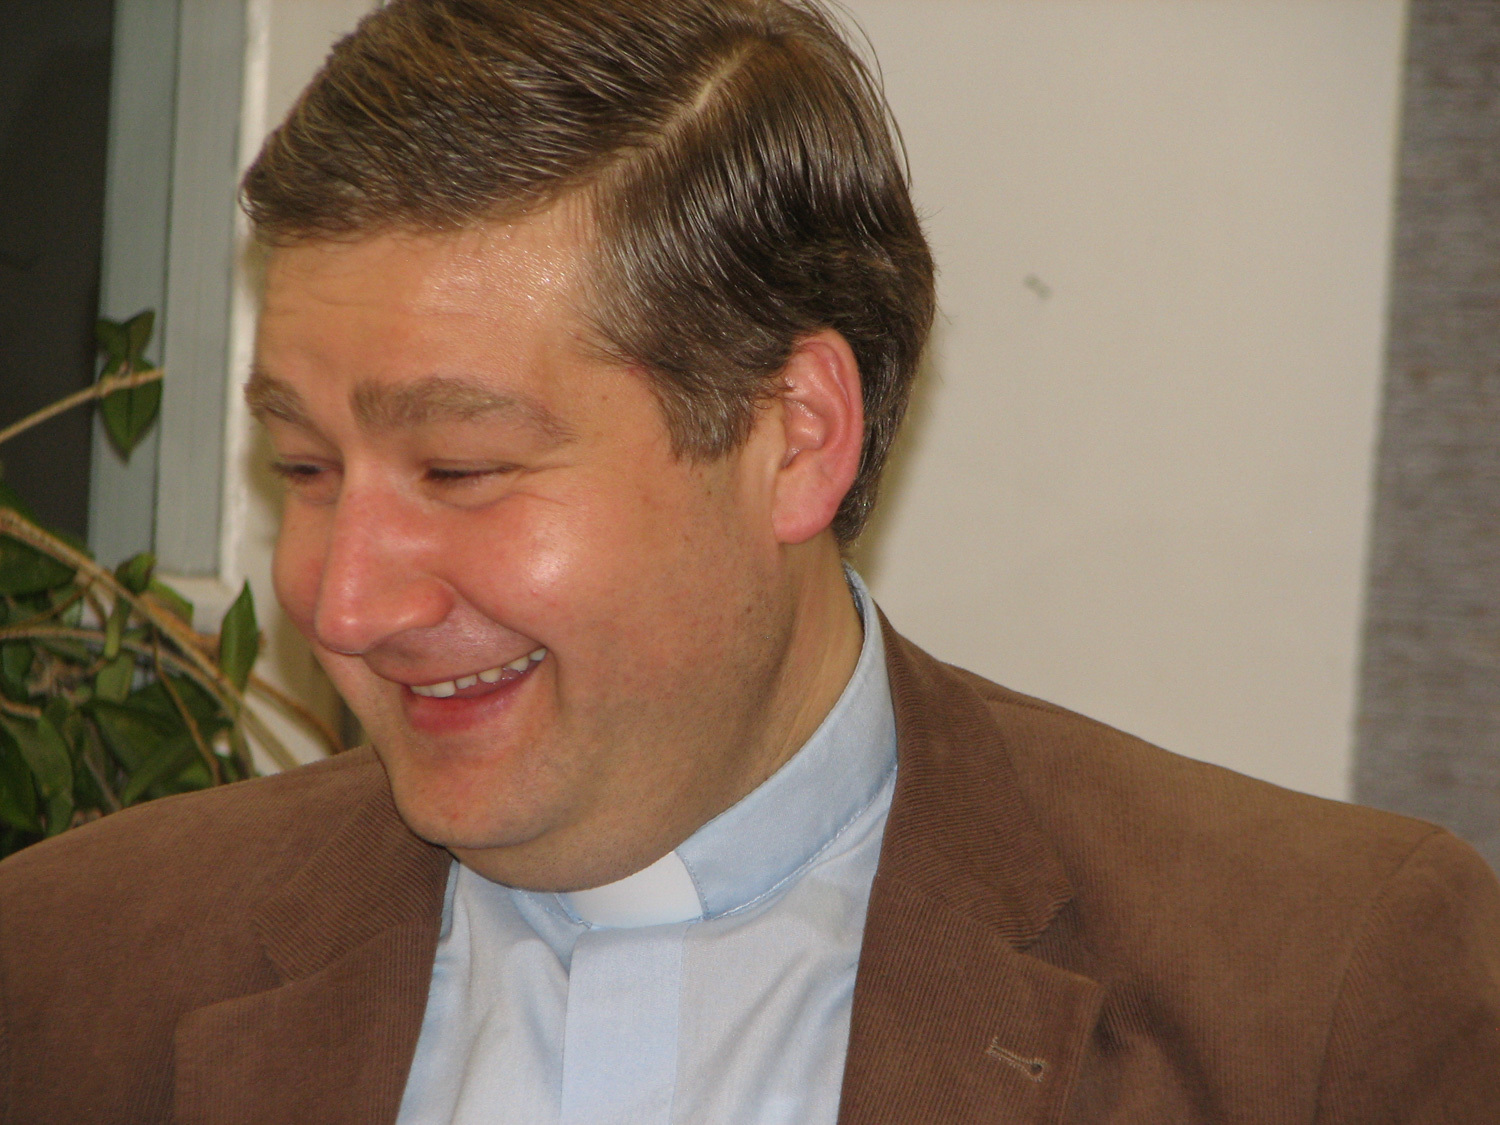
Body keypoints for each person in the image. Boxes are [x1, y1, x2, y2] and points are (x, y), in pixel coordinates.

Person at [3, 0, 1498, 1121]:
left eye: (461, 468)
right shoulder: (73, 967)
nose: (344, 603)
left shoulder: (1321, 1000)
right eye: (305, 470)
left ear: (794, 437)